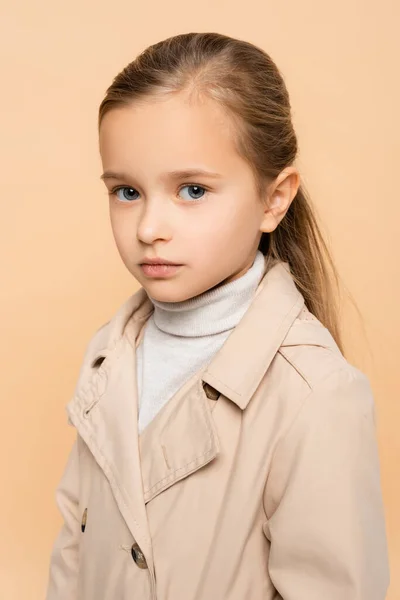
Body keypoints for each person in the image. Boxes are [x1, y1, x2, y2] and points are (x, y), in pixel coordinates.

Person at [45, 32, 390, 600]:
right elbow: (73, 550)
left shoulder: (315, 393)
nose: (149, 226)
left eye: (193, 190)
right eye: (127, 191)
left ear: (274, 199)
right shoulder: (110, 353)